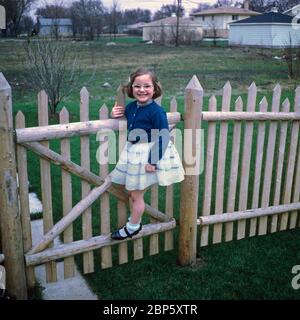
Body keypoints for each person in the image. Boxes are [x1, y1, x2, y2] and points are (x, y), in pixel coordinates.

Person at [109, 67, 185, 240]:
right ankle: (134, 221)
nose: (142, 90)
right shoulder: (130, 107)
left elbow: (164, 135)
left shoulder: (156, 111)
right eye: (137, 86)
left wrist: (153, 161)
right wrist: (114, 114)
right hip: (134, 152)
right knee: (133, 191)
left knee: (136, 194)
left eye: (147, 86)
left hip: (147, 155)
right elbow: (123, 117)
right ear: (131, 89)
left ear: (155, 89)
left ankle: (133, 226)